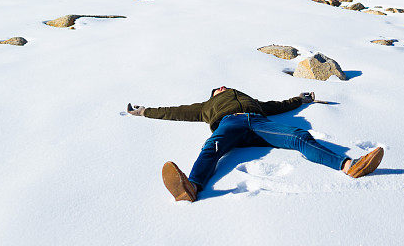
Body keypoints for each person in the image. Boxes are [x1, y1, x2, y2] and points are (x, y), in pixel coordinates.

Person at [127, 86, 384, 202]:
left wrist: (300, 99)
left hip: (259, 124)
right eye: (218, 88)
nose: (222, 87)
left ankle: (350, 165)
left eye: (225, 86)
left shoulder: (253, 102)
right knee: (211, 148)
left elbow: (280, 106)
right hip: (230, 125)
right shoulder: (206, 107)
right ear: (213, 95)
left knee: (298, 136)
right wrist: (145, 111)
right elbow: (177, 111)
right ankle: (191, 187)